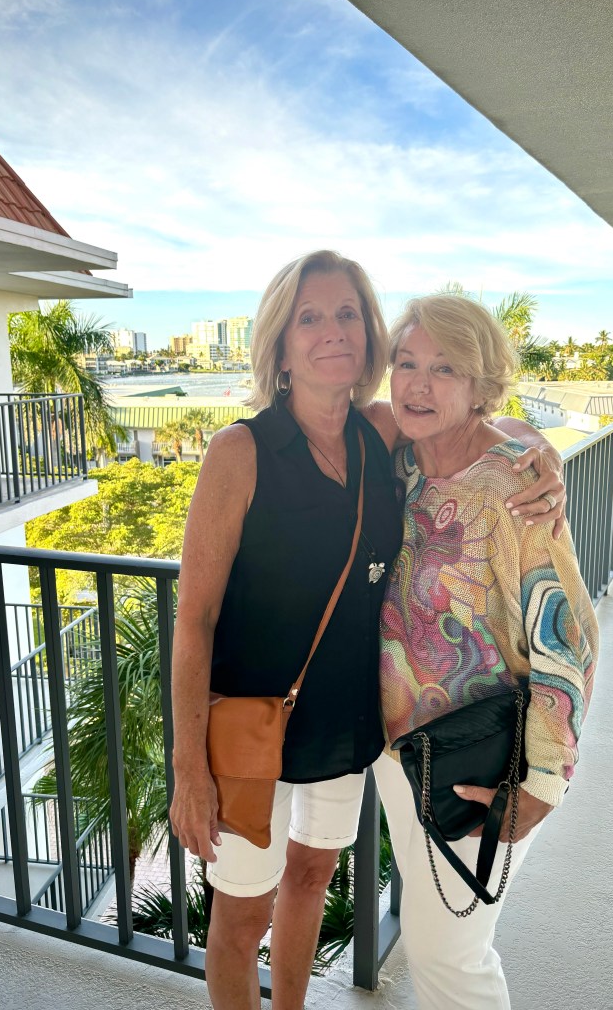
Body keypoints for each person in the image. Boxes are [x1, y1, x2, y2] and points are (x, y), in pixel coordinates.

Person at [168, 251, 567, 1010]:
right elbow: (196, 618)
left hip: (346, 722)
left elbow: (476, 418)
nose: (333, 331)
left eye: (348, 313)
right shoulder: (239, 451)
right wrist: (189, 767)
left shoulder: (377, 432)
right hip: (249, 726)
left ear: (369, 332)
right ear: (281, 344)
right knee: (241, 915)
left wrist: (538, 455)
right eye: (310, 317)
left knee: (312, 876)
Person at [374, 292, 599, 1010]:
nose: (418, 384)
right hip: (400, 754)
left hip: (481, 755)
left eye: (444, 368)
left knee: (450, 955)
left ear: (480, 386)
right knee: (433, 936)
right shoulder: (397, 467)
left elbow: (567, 635)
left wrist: (545, 782)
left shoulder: (513, 486)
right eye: (407, 362)